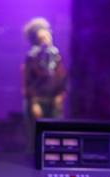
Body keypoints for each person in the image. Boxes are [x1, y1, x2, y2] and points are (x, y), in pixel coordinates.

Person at [22, 17, 67, 150]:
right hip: (38, 102)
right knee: (36, 138)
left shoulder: (56, 56)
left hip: (53, 102)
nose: (46, 39)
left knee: (54, 137)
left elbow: (62, 78)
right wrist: (34, 103)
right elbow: (28, 83)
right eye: (42, 37)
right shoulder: (32, 57)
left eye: (47, 35)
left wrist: (60, 95)